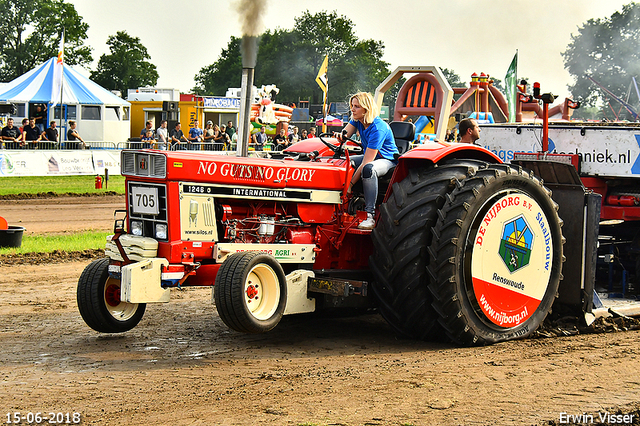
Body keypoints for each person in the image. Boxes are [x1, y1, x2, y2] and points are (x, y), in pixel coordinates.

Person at [339, 91, 398, 230]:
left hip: (387, 160)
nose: (352, 109)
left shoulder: (378, 128)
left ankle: (369, 215)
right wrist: (340, 136)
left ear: (367, 109)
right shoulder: (357, 121)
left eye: (357, 106)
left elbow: (367, 161)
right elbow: (344, 134)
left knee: (368, 169)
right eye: (352, 105)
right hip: (371, 156)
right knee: (344, 162)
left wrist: (350, 185)